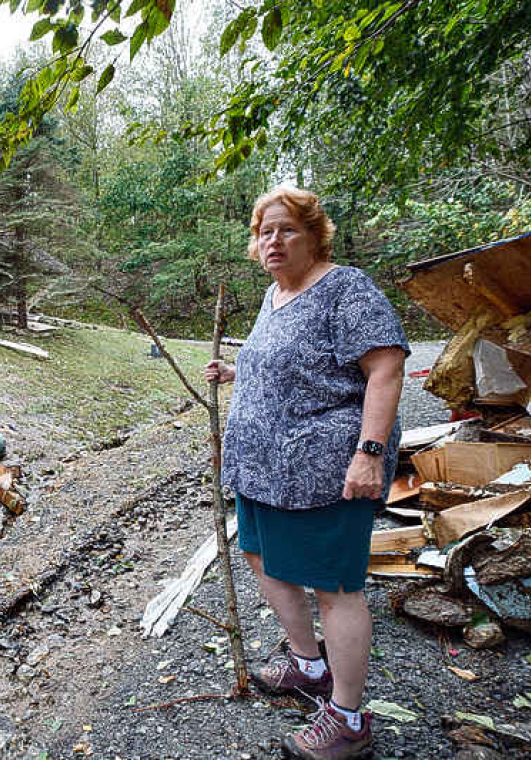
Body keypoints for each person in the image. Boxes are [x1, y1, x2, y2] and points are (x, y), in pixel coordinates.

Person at [204, 187, 408, 760]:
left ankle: (347, 718)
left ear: (315, 235)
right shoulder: (275, 295)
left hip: (324, 474)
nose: (273, 240)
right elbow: (292, 365)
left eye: (287, 229)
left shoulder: (345, 287)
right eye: (265, 231)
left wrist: (369, 452)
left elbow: (386, 366)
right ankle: (308, 664)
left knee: (334, 587)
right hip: (263, 470)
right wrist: (236, 369)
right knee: (261, 557)